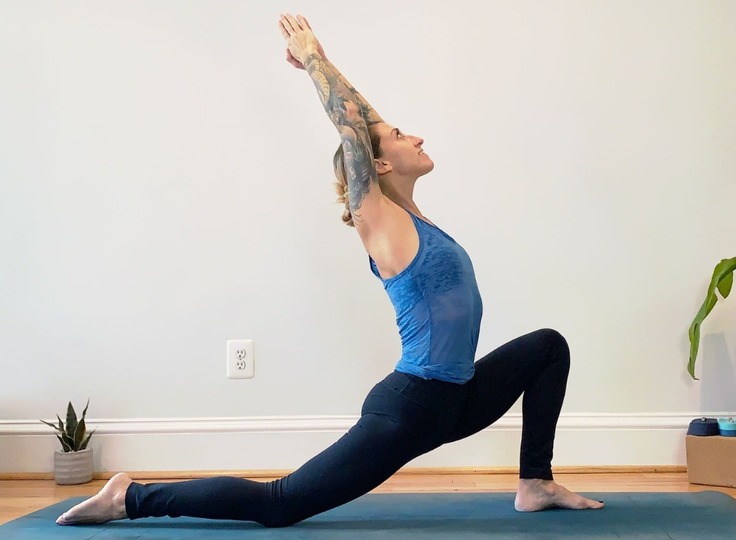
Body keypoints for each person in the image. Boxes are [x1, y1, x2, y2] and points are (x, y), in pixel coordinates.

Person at [55, 13, 603, 528]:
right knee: (279, 503)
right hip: (411, 407)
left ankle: (535, 482)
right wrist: (313, 56)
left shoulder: (414, 217)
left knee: (547, 347)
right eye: (401, 137)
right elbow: (353, 127)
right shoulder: (379, 219)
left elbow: (364, 118)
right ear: (378, 164)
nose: (417, 137)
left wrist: (322, 63)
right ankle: (130, 497)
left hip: (457, 399)